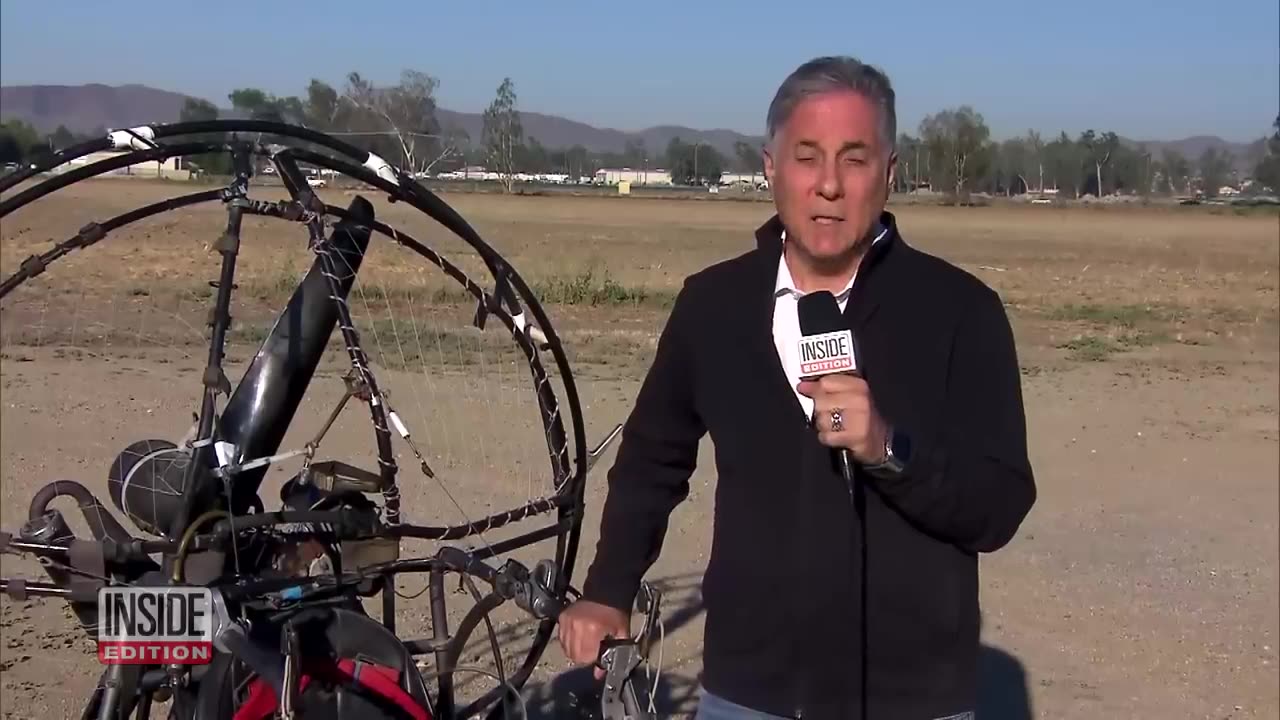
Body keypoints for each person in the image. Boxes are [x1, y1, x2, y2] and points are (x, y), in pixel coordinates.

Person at [556, 55, 1036, 719]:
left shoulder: (961, 312)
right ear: (770, 167)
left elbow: (999, 504)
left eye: (855, 158)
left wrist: (890, 449)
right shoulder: (713, 306)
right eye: (807, 157)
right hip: (748, 693)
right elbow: (650, 462)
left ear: (890, 174)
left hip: (911, 699)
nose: (830, 186)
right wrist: (608, 588)